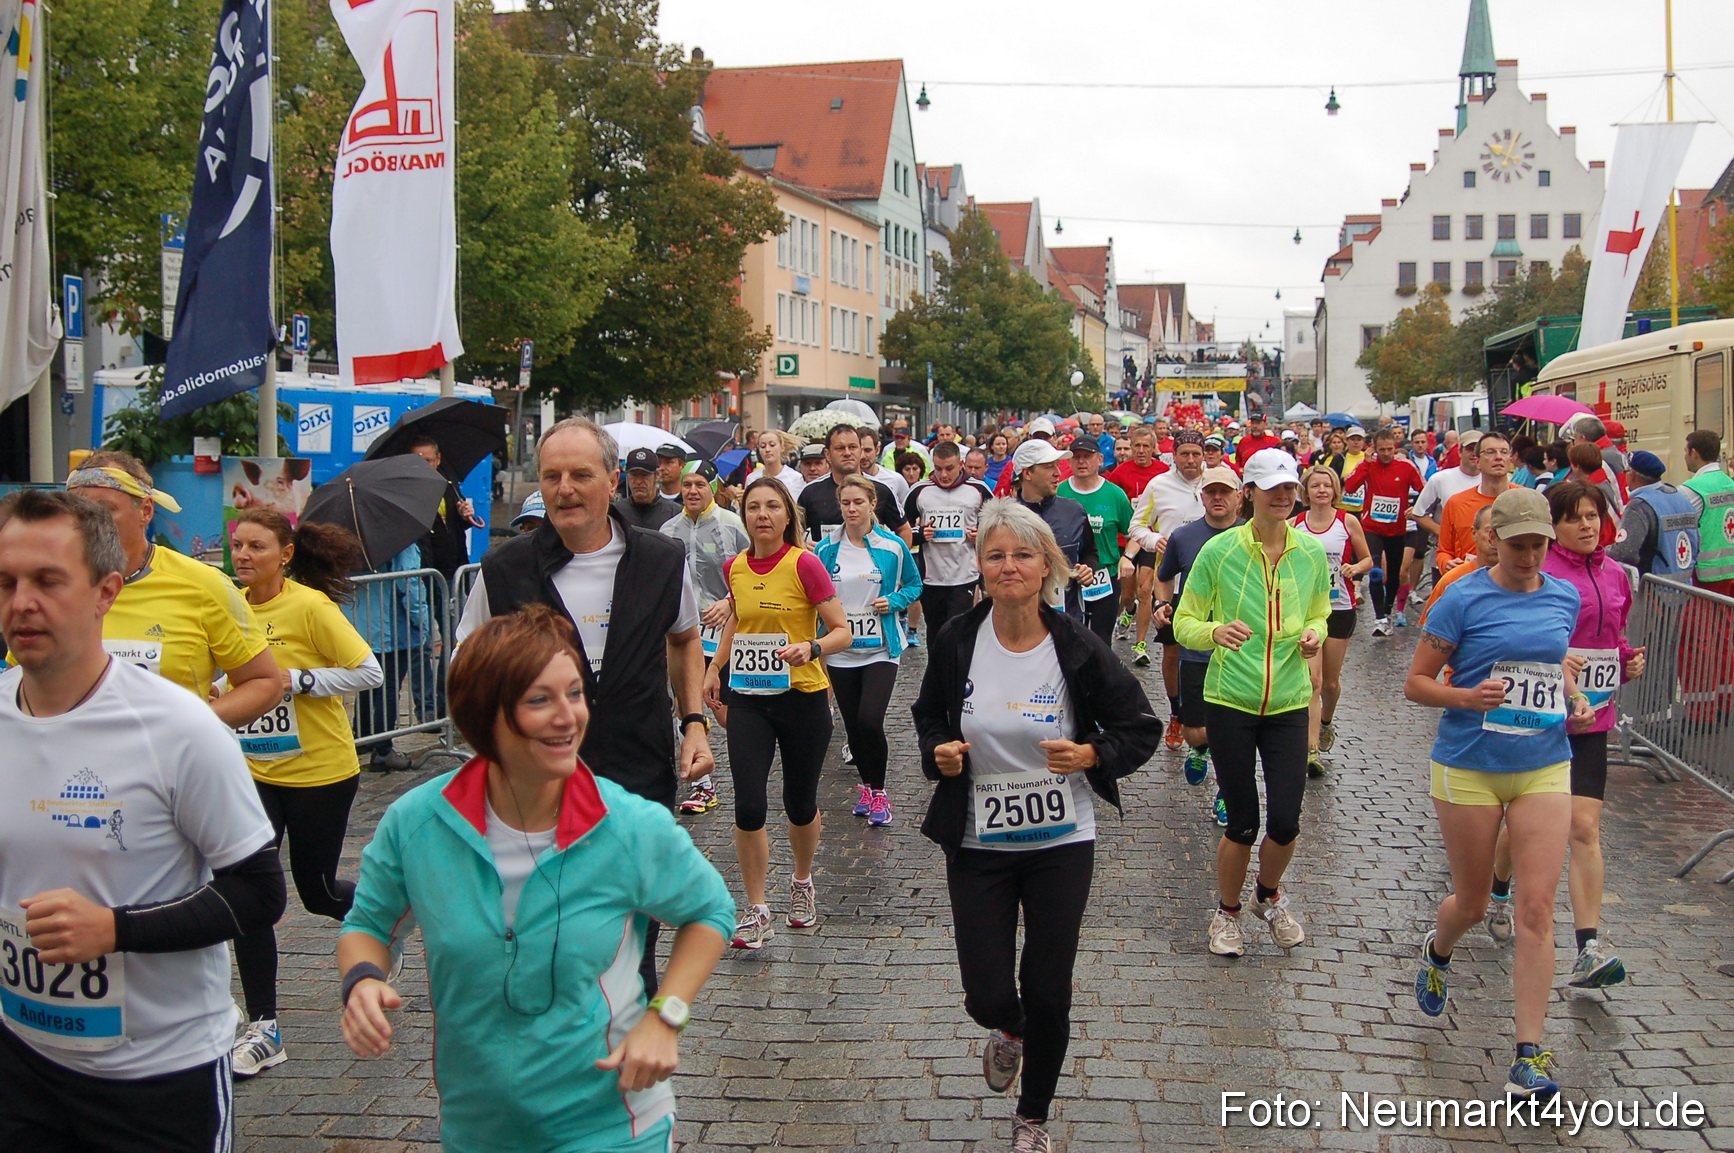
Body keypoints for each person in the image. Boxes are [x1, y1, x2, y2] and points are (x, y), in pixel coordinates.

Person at [338, 605, 734, 1153]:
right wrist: (361, 979)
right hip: (476, 1129)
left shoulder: (627, 825)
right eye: (540, 700)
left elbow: (709, 912)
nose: (568, 717)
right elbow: (369, 925)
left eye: (574, 694)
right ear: (486, 716)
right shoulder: (417, 824)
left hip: (613, 1125)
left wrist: (666, 1016)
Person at [0, 488, 285, 1152]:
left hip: (157, 1076)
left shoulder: (179, 728)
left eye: (47, 581)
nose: (21, 603)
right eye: (7, 582)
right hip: (21, 1059)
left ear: (107, 591)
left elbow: (259, 891)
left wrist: (114, 929)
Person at [912, 499, 1161, 1153]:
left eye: (1023, 554)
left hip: (1061, 840)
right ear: (980, 566)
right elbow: (928, 715)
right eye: (995, 555)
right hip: (978, 837)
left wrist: (1091, 754)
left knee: (1049, 988)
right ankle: (1008, 1027)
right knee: (988, 992)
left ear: (1048, 563)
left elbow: (1141, 727)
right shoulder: (957, 639)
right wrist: (938, 750)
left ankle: (1033, 1114)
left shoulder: (1076, 645)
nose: (1009, 566)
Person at [458, 417, 715, 994]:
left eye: (580, 474)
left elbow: (683, 637)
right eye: (552, 477)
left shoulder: (659, 559)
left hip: (637, 771)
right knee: (547, 936)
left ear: (613, 480)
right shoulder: (504, 571)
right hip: (534, 787)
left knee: (634, 937)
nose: (564, 489)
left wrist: (693, 722)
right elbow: (465, 665)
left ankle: (628, 1058)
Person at [1404, 486, 1596, 1102]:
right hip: (1471, 764)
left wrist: (1573, 693)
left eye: (1540, 544)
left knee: (1537, 910)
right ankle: (1438, 951)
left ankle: (1528, 1052)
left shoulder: (1563, 595)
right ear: (1496, 541)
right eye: (1519, 545)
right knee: (1473, 902)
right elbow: (1415, 684)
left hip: (1545, 762)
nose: (1531, 555)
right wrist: (1467, 696)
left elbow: (1553, 660)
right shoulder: (1462, 598)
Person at [224, 510, 383, 1077]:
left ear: (286, 553)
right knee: (249, 896)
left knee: (315, 893)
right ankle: (264, 1026)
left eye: (256, 546)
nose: (243, 555)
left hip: (320, 771)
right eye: (237, 545)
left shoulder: (311, 606)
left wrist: (296, 680)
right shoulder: (228, 605)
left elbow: (369, 672)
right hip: (252, 774)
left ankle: (387, 916)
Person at [1482, 482, 1644, 983]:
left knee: (1584, 828)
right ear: (1554, 529)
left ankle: (1588, 947)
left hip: (1593, 719)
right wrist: (1559, 665)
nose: (1588, 526)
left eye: (1594, 516)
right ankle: (1498, 888)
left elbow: (1614, 636)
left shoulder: (1617, 574)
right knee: (1523, 825)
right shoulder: (1540, 574)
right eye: (1575, 518)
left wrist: (1625, 660)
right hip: (1541, 717)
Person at [1173, 449, 1330, 958]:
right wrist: (1215, 631)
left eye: (1290, 488)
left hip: (1287, 702)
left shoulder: (1309, 553)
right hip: (1231, 701)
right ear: (1249, 493)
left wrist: (1312, 633)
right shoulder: (1219, 552)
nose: (1284, 496)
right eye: (1273, 488)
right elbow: (1183, 622)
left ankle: (1267, 895)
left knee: (1285, 819)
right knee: (1242, 820)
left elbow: (1321, 613)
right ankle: (1227, 911)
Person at [701, 476, 849, 949]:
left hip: (802, 697)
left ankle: (802, 883)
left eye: (771, 507)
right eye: (753, 508)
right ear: (743, 516)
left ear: (788, 516)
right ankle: (757, 907)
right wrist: (714, 667)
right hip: (747, 698)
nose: (762, 515)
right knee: (748, 803)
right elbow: (741, 622)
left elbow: (841, 630)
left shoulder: (805, 565)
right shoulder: (735, 568)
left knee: (799, 803)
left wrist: (812, 647)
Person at [65, 453, 282, 728]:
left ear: (145, 511)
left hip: (168, 767)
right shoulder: (54, 586)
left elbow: (264, 683)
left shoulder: (202, 584)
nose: (89, 522)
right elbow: (22, 681)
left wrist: (187, 727)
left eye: (105, 509)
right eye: (78, 511)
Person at [815, 475, 922, 828]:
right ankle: (865, 786)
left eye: (858, 502)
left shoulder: (891, 546)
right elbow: (815, 596)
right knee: (852, 725)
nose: (851, 509)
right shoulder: (825, 549)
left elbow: (915, 585)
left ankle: (880, 792)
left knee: (869, 720)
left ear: (872, 504)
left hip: (881, 648)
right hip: (841, 649)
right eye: (845, 503)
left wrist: (892, 601)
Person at [1154, 465, 1245, 827]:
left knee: (1233, 729)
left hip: (1241, 650)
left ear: (1240, 496)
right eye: (1211, 492)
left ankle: (1227, 793)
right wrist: (1163, 606)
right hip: (1196, 647)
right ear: (1201, 496)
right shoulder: (1184, 536)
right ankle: (1200, 749)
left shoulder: (1252, 535)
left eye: (1226, 492)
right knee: (1197, 730)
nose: (1218, 498)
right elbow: (1164, 579)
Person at [662, 460, 749, 815]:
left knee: (728, 714)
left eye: (700, 484)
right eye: (687, 485)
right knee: (686, 705)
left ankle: (749, 774)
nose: (693, 491)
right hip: (684, 633)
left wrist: (730, 603)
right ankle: (703, 786)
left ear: (713, 487)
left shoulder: (733, 525)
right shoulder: (669, 530)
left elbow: (756, 571)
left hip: (727, 631)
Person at [1291, 466, 1372, 775]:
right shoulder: (1295, 523)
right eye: (1316, 486)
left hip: (1339, 608)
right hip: (1306, 610)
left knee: (1330, 682)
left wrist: (1354, 568)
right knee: (1312, 681)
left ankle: (1326, 722)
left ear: (1335, 491)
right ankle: (1311, 751)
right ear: (1306, 492)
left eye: (1327, 485)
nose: (1322, 490)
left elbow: (1367, 558)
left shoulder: (1347, 521)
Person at [1128, 430, 1207, 730]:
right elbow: (1137, 526)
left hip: (1212, 583)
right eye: (1184, 454)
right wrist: (1155, 541)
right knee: (1173, 650)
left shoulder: (1216, 483)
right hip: (1171, 580)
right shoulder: (1158, 485)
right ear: (1173, 455)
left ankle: (1208, 715)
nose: (1190, 460)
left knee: (1212, 651)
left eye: (1196, 454)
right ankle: (1176, 711)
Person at [345, 541, 433, 773]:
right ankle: (383, 750)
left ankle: (364, 737)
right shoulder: (399, 540)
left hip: (356, 623)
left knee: (366, 682)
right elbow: (410, 582)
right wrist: (422, 623)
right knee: (389, 686)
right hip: (391, 625)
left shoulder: (346, 538)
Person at [1341, 427, 1426, 635]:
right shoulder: (1368, 465)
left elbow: (1426, 492)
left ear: (1395, 448)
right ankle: (1379, 619)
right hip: (1372, 528)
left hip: (1397, 530)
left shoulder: (1406, 467)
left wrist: (1416, 508)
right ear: (1374, 449)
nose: (1386, 454)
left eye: (1389, 449)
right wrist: (1366, 463)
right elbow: (1350, 487)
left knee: (1395, 575)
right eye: (1382, 450)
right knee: (1376, 572)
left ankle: (1387, 611)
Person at [906, 440, 994, 641]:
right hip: (931, 578)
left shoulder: (978, 489)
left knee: (958, 633)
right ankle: (936, 673)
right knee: (935, 634)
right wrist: (919, 534)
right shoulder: (920, 491)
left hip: (964, 577)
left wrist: (981, 535)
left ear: (961, 464)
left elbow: (997, 526)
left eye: (949, 468)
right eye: (938, 468)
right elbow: (901, 530)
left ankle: (958, 673)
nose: (944, 475)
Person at [1011, 439, 1097, 623]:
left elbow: (1090, 553)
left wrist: (1088, 569)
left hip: (1068, 619)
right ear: (1027, 473)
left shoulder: (1075, 511)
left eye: (1057, 466)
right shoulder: (1005, 518)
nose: (1057, 473)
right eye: (1049, 467)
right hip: (1020, 621)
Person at [1060, 435, 1134, 647]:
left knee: (1101, 641)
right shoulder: (1059, 492)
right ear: (1070, 461)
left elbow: (1135, 534)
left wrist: (1127, 557)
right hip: (1067, 578)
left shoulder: (1114, 494)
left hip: (1105, 576)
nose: (1082, 462)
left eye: (1088, 457)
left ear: (1100, 459)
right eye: (1077, 457)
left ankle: (1101, 679)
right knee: (1070, 638)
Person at [797, 423, 909, 545]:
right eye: (840, 448)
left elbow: (904, 530)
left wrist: (894, 561)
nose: (847, 453)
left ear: (860, 451)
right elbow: (792, 532)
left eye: (852, 447)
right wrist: (803, 547)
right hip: (825, 563)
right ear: (827, 454)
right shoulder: (810, 492)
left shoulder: (880, 490)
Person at [1608, 449, 1699, 580]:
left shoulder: (1639, 506)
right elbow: (1696, 542)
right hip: (1686, 587)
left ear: (1632, 475)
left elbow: (1625, 552)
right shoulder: (1681, 498)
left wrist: (1600, 553)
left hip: (1654, 590)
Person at [1436, 431, 1512, 574]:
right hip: (1467, 584)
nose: (1498, 457)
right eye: (1490, 452)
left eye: (1504, 452)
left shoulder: (1525, 500)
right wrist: (1446, 563)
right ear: (1477, 461)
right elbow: (1443, 551)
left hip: (1513, 586)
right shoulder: (1456, 503)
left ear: (1510, 459)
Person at [1681, 429, 1733, 595]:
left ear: (1694, 453)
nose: (1685, 456)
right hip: (1731, 573)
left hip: (1704, 576)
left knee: (1702, 621)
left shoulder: (1690, 490)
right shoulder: (1729, 483)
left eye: (1686, 451)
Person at [614, 447, 682, 531]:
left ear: (657, 475)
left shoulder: (675, 513)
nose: (638, 481)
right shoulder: (616, 512)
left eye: (644, 475)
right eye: (634, 475)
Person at [746, 429, 807, 500]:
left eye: (772, 445)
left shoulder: (795, 479)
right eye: (763, 446)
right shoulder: (752, 478)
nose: (767, 449)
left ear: (782, 447)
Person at [859, 427, 910, 507]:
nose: (863, 456)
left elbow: (907, 511)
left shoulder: (896, 479)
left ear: (877, 450)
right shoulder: (845, 480)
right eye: (859, 451)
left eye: (867, 450)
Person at [1336, 428, 1369, 515]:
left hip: (1362, 509)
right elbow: (1331, 481)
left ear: (1364, 442)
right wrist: (1343, 481)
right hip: (1341, 508)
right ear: (1347, 441)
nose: (1356, 442)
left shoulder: (1368, 458)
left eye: (1359, 440)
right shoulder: (1340, 458)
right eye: (1352, 439)